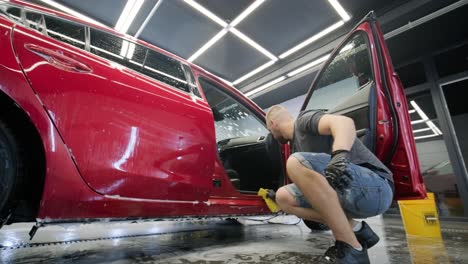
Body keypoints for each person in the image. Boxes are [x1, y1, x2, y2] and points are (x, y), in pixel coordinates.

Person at [266, 105, 394, 264]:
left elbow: (343, 122)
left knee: (295, 162)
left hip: (376, 188)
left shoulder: (303, 121)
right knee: (283, 197)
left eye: (270, 131)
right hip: (348, 191)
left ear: (273, 123)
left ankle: (351, 248)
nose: (272, 135)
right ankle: (358, 231)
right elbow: (313, 189)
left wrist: (340, 155)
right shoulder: (295, 148)